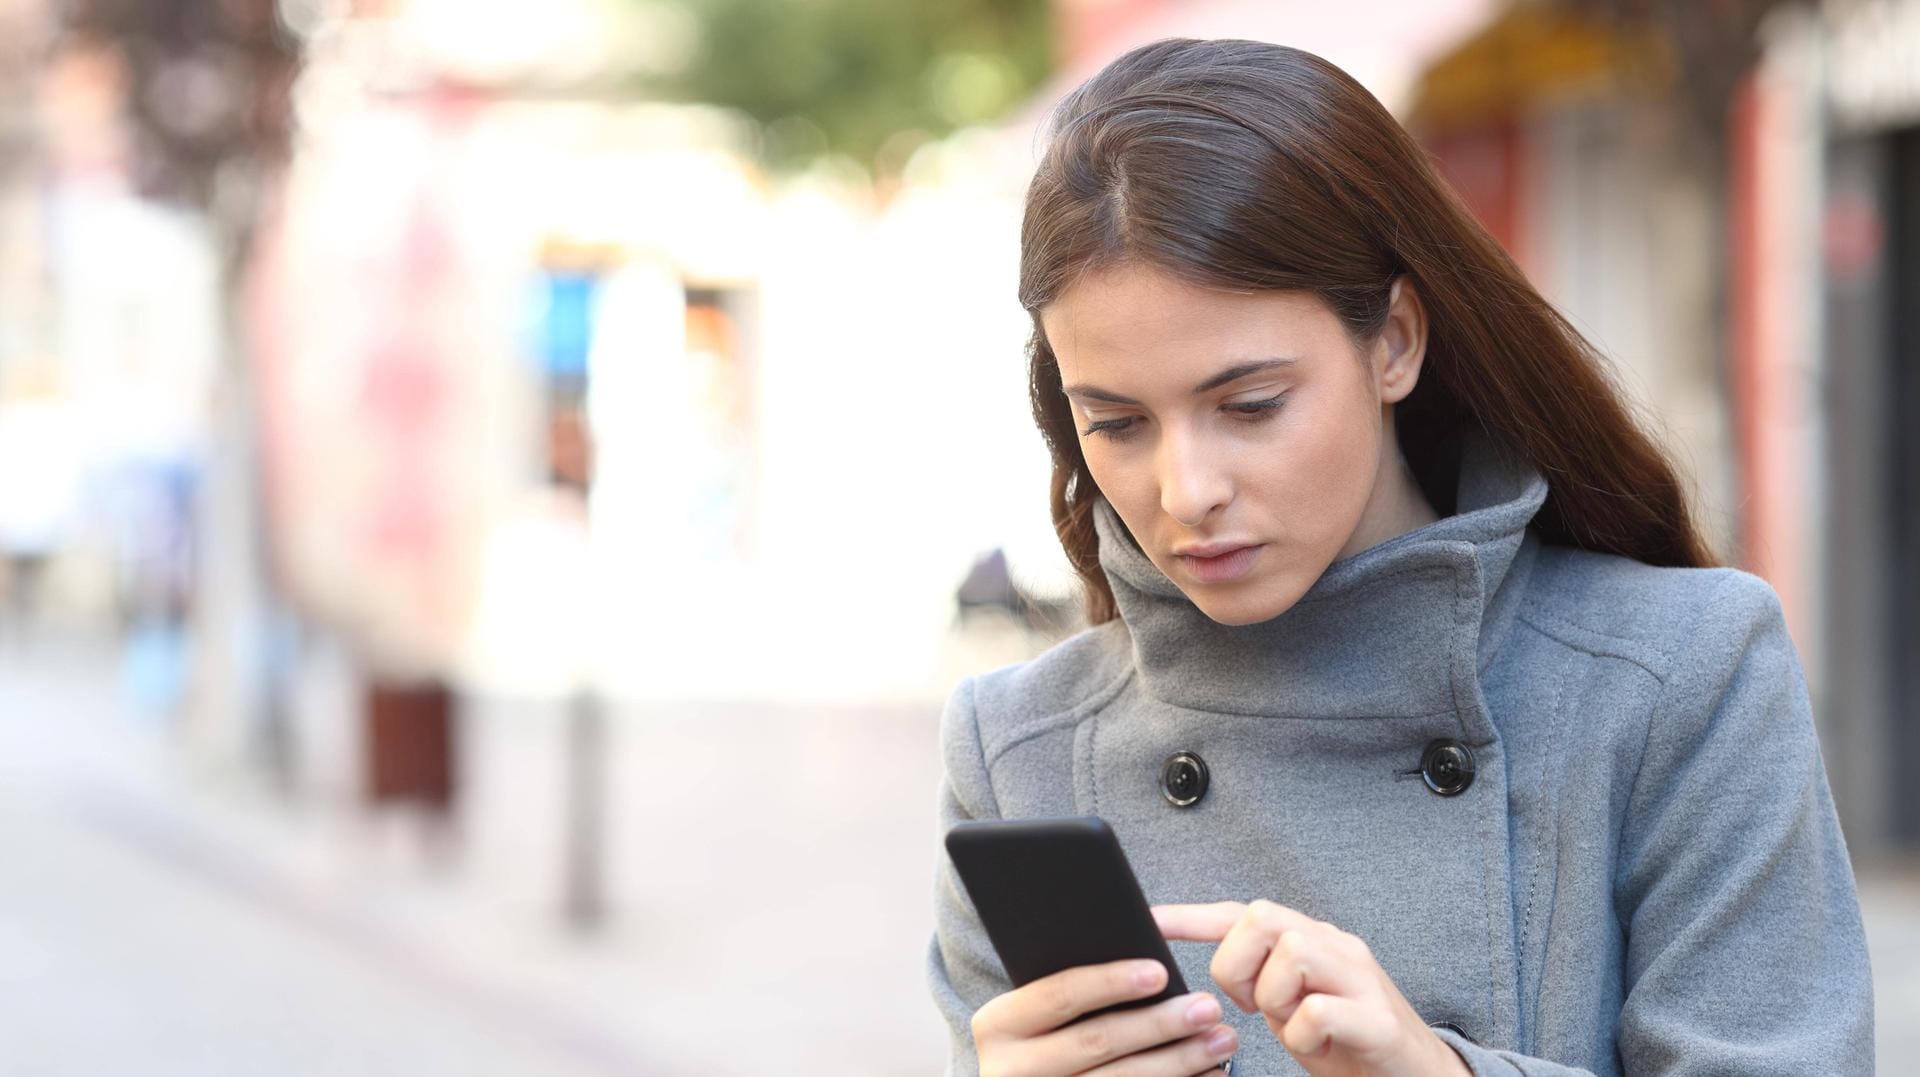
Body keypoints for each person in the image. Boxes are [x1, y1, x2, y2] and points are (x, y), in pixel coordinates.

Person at [925, 37, 1874, 1077]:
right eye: (1116, 423)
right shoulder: (1019, 752)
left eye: (1251, 406)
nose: (1186, 490)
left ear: (1396, 341)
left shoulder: (1680, 676)